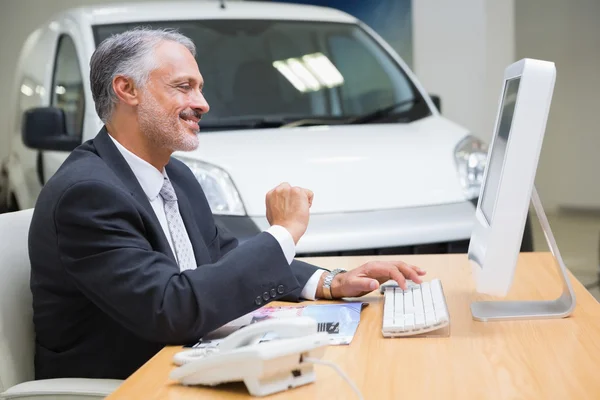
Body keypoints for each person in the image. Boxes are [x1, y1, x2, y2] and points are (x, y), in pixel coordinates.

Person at [28, 28, 426, 381]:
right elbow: (171, 309)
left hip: (186, 362)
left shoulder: (176, 175)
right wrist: (283, 232)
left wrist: (327, 282)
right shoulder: (87, 194)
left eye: (200, 88)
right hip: (130, 381)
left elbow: (222, 257)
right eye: (183, 87)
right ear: (127, 90)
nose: (202, 104)